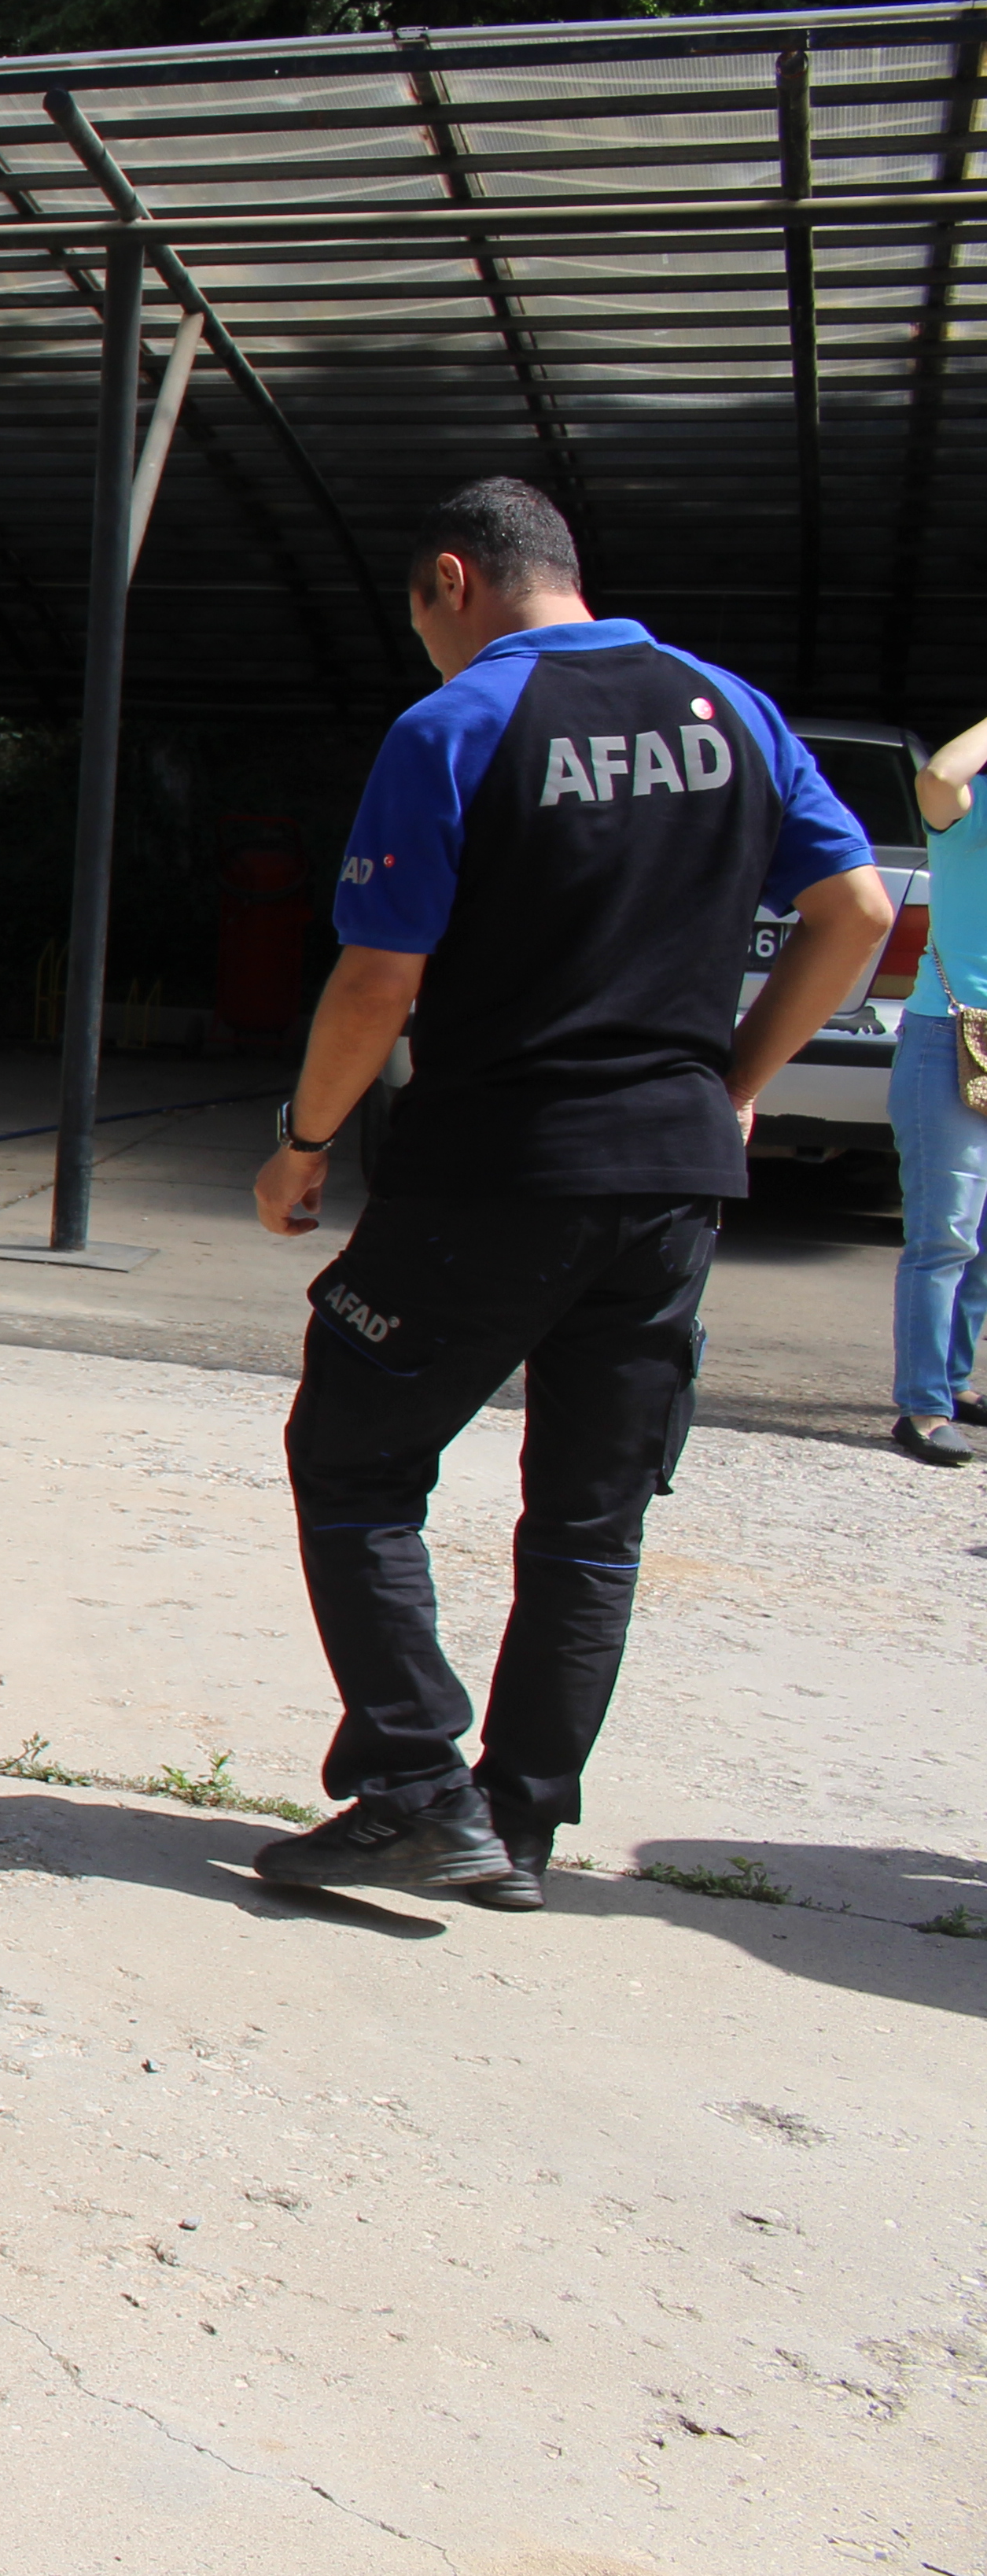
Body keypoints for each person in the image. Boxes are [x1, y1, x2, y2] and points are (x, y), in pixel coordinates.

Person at [244, 475, 888, 1906]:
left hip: (496, 1169)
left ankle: (413, 1788)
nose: (424, 644)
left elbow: (377, 977)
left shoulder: (457, 722)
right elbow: (855, 908)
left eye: (420, 617)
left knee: (350, 1460)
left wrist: (301, 1138)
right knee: (586, 1518)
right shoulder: (728, 710)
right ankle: (514, 1823)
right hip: (669, 1183)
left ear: (452, 579)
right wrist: (729, 1079)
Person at [890, 714, 987, 1466]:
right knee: (944, 1233)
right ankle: (922, 1408)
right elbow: (938, 776)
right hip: (949, 1035)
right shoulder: (967, 810)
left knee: (980, 1243)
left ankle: (952, 1382)